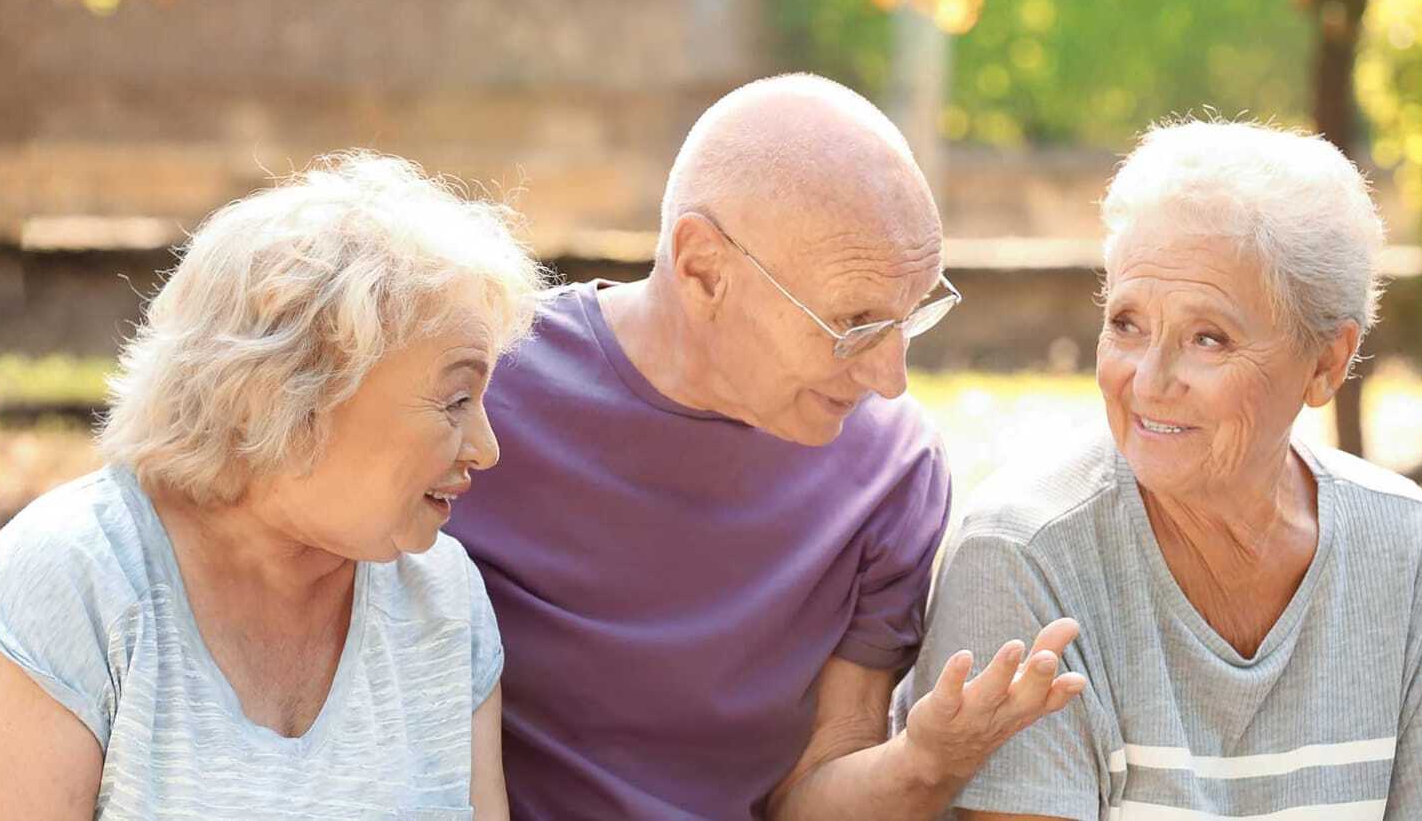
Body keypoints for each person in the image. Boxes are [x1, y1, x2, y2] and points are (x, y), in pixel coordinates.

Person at [444, 73, 1087, 820]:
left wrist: (925, 761)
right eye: (856, 323)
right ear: (702, 268)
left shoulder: (891, 471)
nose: (891, 378)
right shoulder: (483, 385)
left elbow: (810, 796)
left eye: (913, 317)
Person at [0, 152, 547, 819]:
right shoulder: (72, 583)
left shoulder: (440, 595)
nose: (485, 449)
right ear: (292, 392)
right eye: (456, 399)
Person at [901, 120, 1422, 820]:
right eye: (1126, 324)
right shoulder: (1025, 558)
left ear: (1327, 362)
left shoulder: (1418, 556)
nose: (1149, 381)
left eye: (1207, 338)